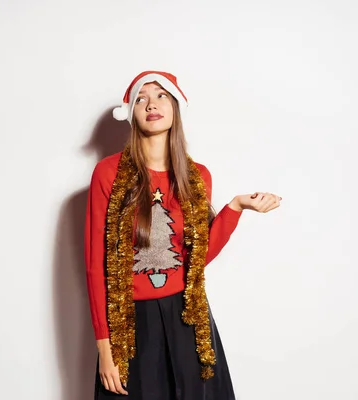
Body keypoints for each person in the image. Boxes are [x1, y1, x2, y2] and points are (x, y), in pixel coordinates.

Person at [84, 70, 282, 399]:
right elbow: (95, 265)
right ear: (131, 112)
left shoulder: (196, 176)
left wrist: (234, 208)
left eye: (162, 96)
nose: (152, 104)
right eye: (142, 99)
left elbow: (196, 259)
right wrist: (105, 348)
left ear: (176, 108)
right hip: (132, 324)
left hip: (188, 318)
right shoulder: (108, 173)